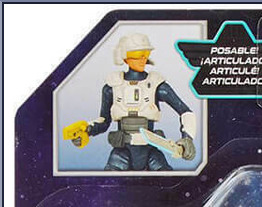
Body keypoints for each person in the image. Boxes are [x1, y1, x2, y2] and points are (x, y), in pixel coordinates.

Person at [67, 33, 196, 171]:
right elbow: (104, 121)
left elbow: (185, 112)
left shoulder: (157, 85)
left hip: (150, 150)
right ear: (124, 56)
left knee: (165, 177)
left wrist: (187, 139)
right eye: (138, 54)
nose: (143, 59)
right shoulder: (112, 87)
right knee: (111, 178)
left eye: (146, 53)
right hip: (122, 151)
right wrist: (87, 130)